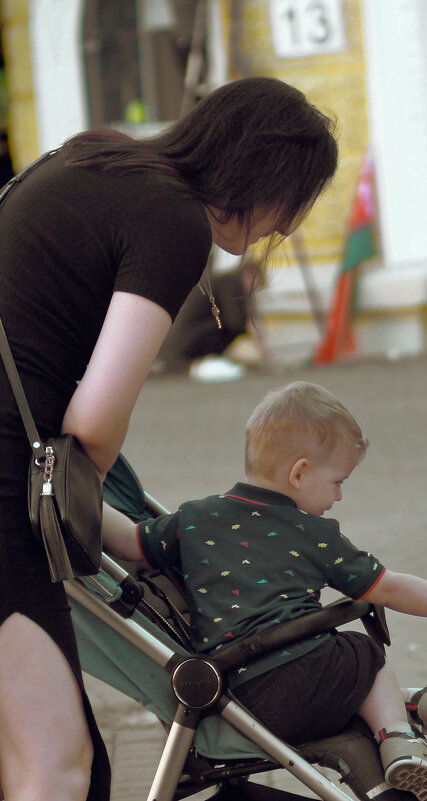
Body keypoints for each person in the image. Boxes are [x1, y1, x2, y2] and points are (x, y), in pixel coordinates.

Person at [0, 77, 338, 801]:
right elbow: (92, 422)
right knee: (55, 766)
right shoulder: (172, 219)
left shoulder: (84, 159)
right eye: (293, 203)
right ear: (265, 175)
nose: (282, 229)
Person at [102, 381, 427, 801]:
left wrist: (80, 500)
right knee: (364, 656)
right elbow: (392, 588)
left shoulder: (193, 519)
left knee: (343, 670)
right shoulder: (313, 533)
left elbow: (130, 541)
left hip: (239, 698)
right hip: (306, 682)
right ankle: (401, 740)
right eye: (337, 481)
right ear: (299, 472)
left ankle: (416, 704)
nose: (340, 496)